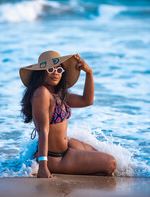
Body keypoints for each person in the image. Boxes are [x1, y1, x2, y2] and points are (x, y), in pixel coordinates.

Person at [19, 50, 116, 178]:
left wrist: (89, 72)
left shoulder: (58, 94)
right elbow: (43, 130)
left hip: (65, 148)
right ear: (41, 73)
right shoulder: (41, 93)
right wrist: (43, 167)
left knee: (98, 152)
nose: (55, 73)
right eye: (50, 70)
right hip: (55, 158)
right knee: (111, 163)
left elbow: (87, 101)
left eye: (59, 70)